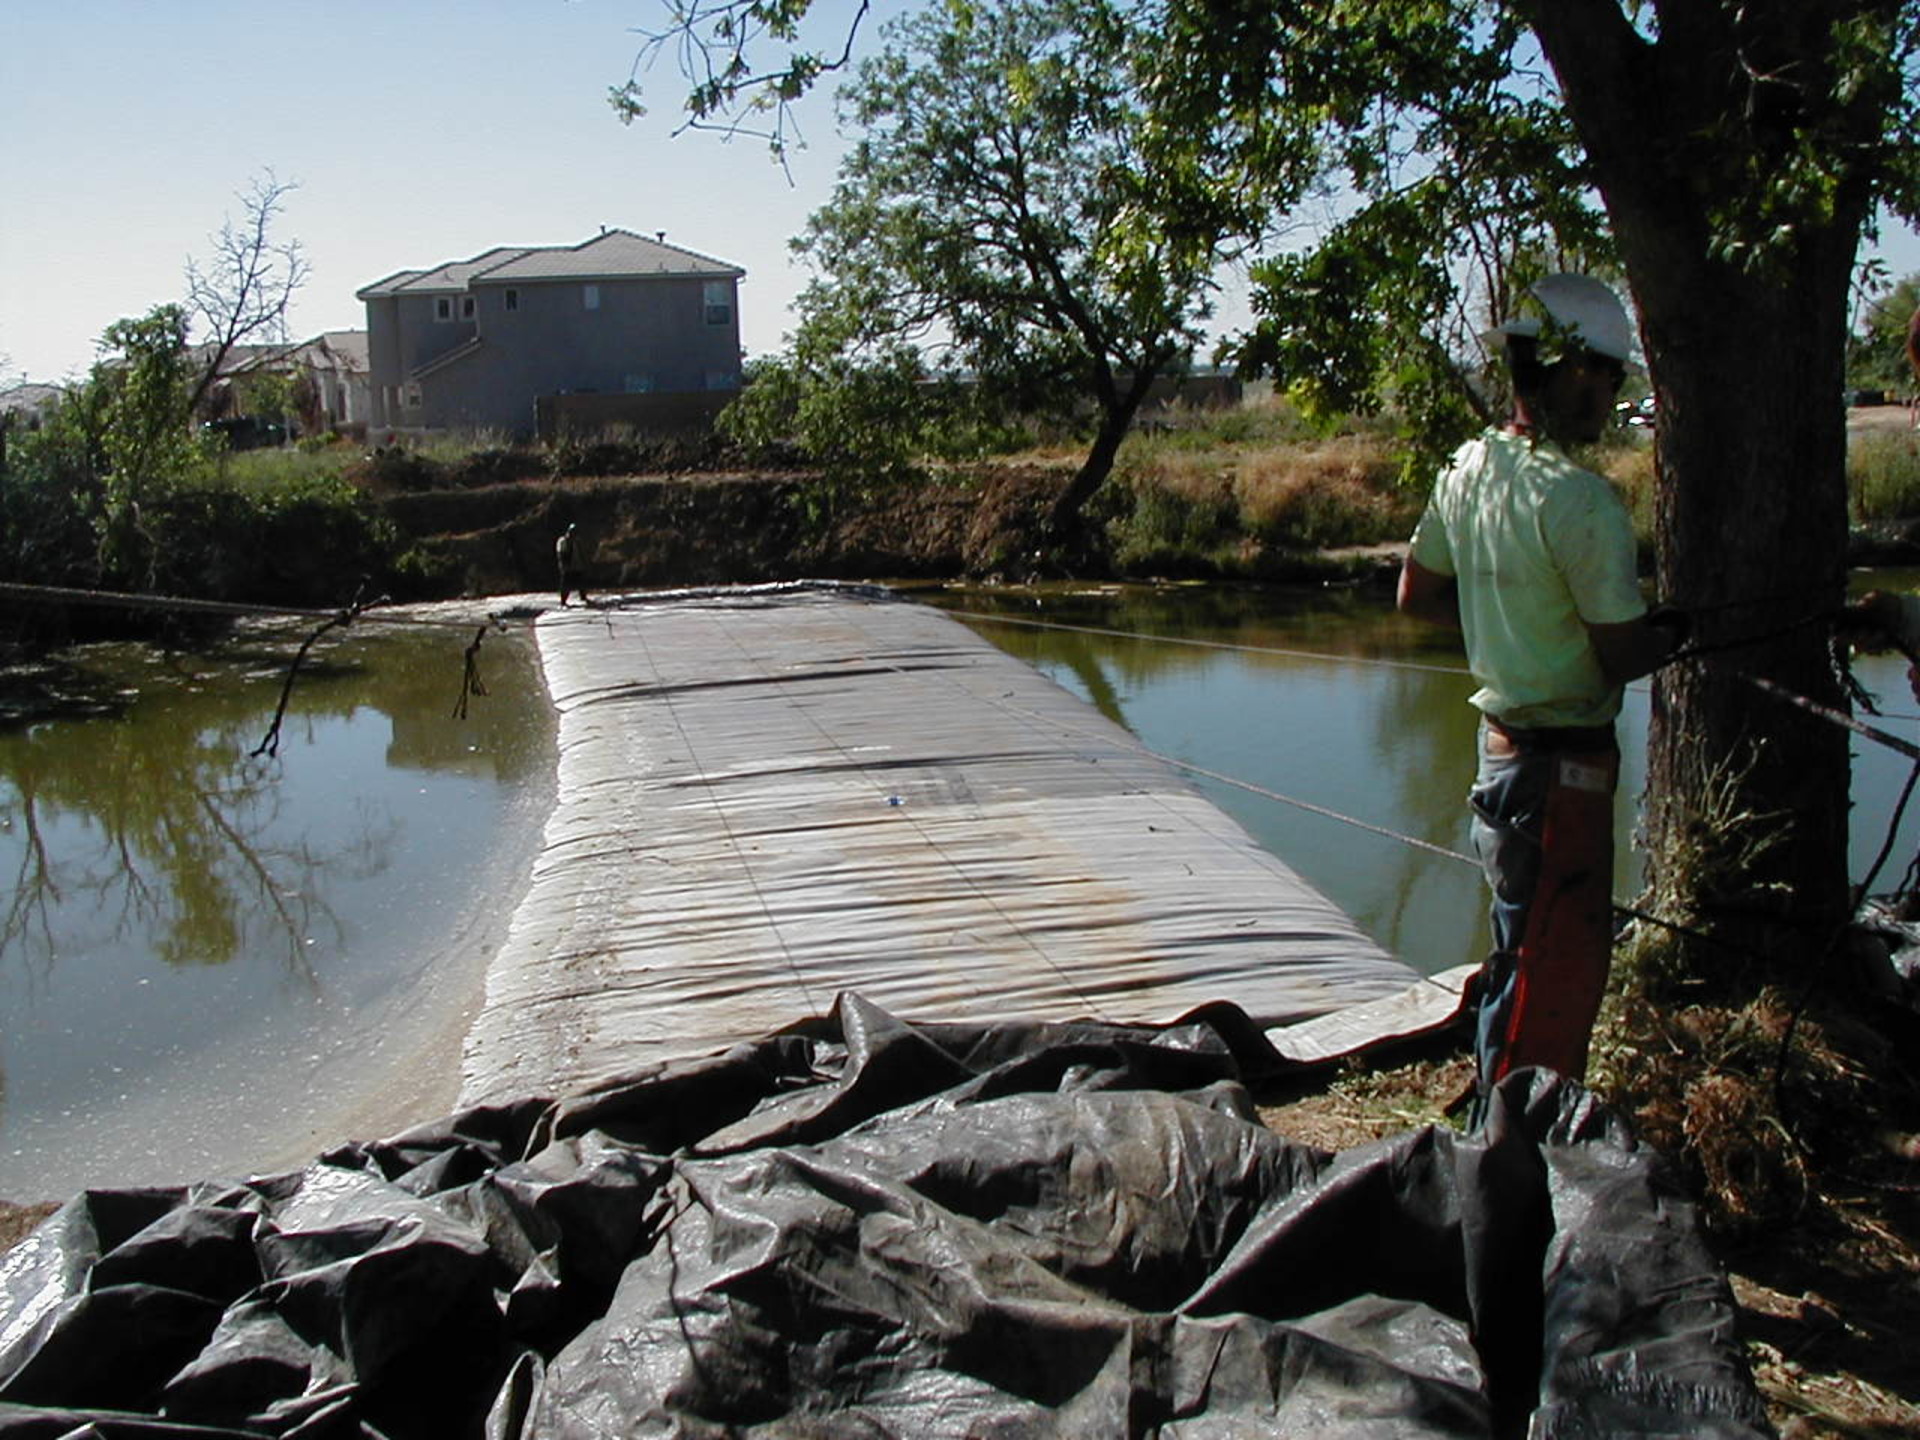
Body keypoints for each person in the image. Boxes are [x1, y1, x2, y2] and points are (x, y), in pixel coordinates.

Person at [1397, 273, 1686, 1108]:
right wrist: (1668, 636)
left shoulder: (1468, 468)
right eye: (1604, 377)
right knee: (1554, 969)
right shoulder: (1580, 501)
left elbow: (1416, 595)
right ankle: (1519, 1154)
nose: (1607, 396)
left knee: (1516, 948)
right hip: (1564, 773)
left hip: (1501, 758)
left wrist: (1506, 626)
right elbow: (1622, 654)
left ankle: (1497, 1111)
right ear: (1566, 371)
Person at [556, 522, 589, 607]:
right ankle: (563, 602)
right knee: (565, 585)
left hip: (578, 566)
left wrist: (584, 563)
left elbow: (581, 553)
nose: (574, 534)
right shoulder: (562, 541)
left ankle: (583, 598)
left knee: (582, 583)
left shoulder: (577, 541)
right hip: (567, 566)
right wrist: (563, 565)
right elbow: (560, 554)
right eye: (572, 532)